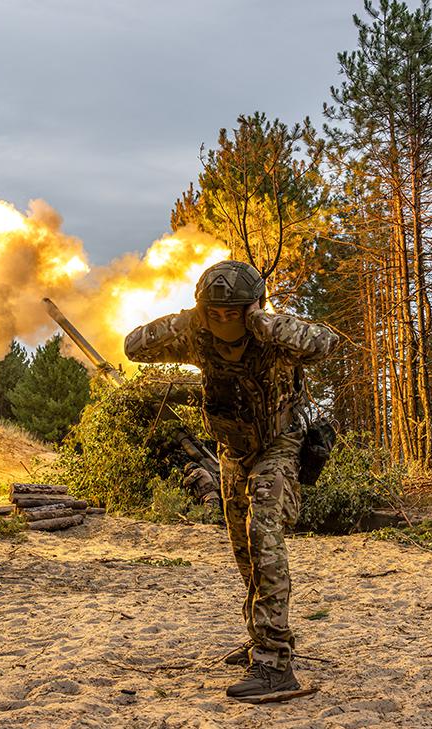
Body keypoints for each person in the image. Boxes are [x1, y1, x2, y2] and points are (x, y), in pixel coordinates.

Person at [123, 260, 337, 699]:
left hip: (279, 446)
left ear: (254, 305)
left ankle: (276, 665)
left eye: (233, 312)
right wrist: (190, 318)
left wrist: (263, 321)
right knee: (243, 551)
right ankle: (263, 638)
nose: (224, 321)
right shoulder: (197, 335)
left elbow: (326, 342)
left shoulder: (274, 337)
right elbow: (134, 347)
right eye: (214, 313)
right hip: (232, 453)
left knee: (264, 539)